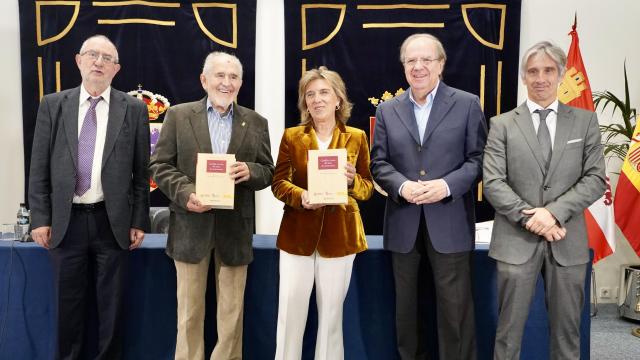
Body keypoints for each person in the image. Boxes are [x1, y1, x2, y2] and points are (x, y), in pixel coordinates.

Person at [28, 34, 150, 358]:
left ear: (116, 69)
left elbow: (141, 173)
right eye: (92, 55)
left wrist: (138, 220)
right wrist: (40, 218)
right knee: (68, 309)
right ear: (78, 60)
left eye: (107, 58)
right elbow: (38, 167)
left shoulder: (135, 109)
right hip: (65, 223)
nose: (99, 62)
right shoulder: (53, 105)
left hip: (113, 224)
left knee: (112, 311)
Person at [483, 41, 606, 359]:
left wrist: (551, 215)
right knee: (507, 335)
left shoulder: (585, 122)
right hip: (515, 242)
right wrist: (530, 218)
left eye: (548, 70)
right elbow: (494, 183)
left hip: (567, 241)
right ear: (523, 76)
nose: (540, 78)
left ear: (561, 75)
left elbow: (594, 179)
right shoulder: (502, 124)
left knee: (567, 334)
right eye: (533, 71)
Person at [150, 51, 274, 360]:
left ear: (241, 83)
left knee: (232, 315)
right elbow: (161, 166)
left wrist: (250, 171)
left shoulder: (256, 121)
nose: (226, 82)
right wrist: (187, 193)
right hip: (190, 227)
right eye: (220, 75)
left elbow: (268, 171)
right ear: (204, 80)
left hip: (235, 230)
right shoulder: (178, 115)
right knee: (189, 313)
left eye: (233, 77)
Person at [370, 33, 487, 360]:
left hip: (449, 221)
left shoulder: (466, 104)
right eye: (411, 61)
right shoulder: (387, 110)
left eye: (426, 60)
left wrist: (446, 185)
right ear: (404, 66)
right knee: (406, 313)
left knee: (455, 311)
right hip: (403, 222)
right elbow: (378, 162)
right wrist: (402, 186)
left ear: (441, 64)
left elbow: (478, 159)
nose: (418, 66)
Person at [271, 66, 373, 360]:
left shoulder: (356, 137)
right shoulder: (292, 136)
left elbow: (367, 188)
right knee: (290, 314)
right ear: (305, 102)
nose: (317, 99)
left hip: (341, 237)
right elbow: (278, 183)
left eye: (324, 92)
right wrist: (301, 196)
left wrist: (353, 180)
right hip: (297, 236)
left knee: (331, 317)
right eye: (310, 94)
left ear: (339, 99)